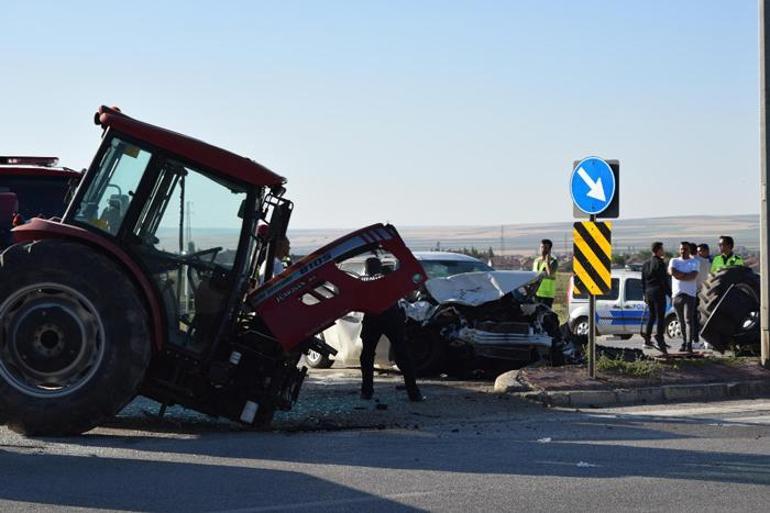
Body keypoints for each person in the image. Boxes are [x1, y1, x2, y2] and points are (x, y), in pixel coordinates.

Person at [359, 257, 424, 402]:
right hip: (391, 316)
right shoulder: (390, 279)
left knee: (367, 355)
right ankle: (413, 392)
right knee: (402, 355)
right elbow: (409, 295)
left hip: (372, 317)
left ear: (367, 268)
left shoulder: (364, 281)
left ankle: (366, 391)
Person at [668, 241, 700, 353]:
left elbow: (693, 276)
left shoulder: (694, 262)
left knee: (688, 320)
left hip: (690, 295)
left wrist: (679, 275)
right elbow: (672, 272)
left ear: (689, 250)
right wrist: (684, 275)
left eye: (685, 249)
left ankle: (689, 344)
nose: (683, 251)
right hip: (677, 295)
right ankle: (684, 342)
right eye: (681, 249)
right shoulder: (674, 261)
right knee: (680, 321)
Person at [641, 241, 670, 354]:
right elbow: (664, 281)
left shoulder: (646, 263)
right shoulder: (660, 263)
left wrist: (644, 294)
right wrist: (670, 293)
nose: (663, 251)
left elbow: (643, 281)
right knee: (661, 317)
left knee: (652, 316)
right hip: (658, 293)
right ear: (658, 250)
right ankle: (659, 337)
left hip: (649, 293)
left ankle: (647, 338)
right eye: (662, 249)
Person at [691, 242, 711, 347]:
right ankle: (703, 340)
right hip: (703, 292)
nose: (699, 253)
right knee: (701, 316)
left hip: (698, 291)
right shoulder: (707, 262)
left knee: (696, 317)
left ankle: (697, 339)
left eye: (701, 251)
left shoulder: (694, 262)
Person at [532, 239, 558, 307]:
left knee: (545, 314)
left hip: (547, 295)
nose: (543, 249)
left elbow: (550, 273)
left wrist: (547, 262)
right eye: (542, 247)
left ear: (549, 250)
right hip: (536, 293)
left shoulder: (553, 261)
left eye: (546, 248)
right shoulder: (536, 261)